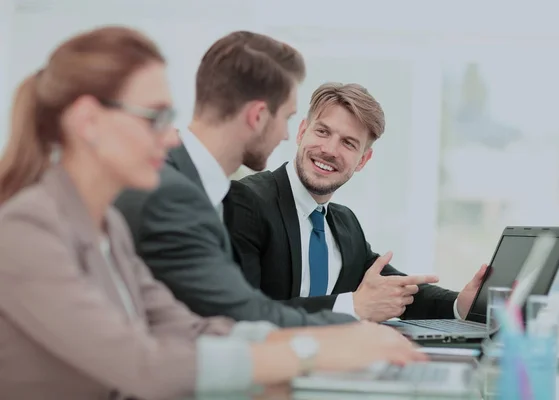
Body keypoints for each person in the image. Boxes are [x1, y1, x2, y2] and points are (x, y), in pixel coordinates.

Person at [0, 27, 425, 399]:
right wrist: (313, 349)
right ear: (88, 122)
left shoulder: (106, 225)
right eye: (155, 117)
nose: (170, 137)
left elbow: (192, 327)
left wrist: (351, 337)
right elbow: (141, 364)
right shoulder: (25, 230)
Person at [114, 31, 368, 326]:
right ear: (258, 116)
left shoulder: (193, 185)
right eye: (286, 118)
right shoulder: (172, 194)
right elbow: (238, 315)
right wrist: (354, 329)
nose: (287, 135)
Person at [224, 82, 488, 322]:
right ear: (302, 131)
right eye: (322, 131)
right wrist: (352, 306)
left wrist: (458, 303)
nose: (329, 150)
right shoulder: (247, 201)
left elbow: (392, 291)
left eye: (348, 143)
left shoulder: (345, 223)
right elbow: (242, 313)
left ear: (363, 160)